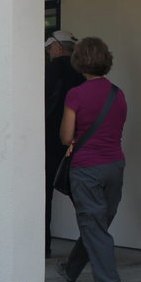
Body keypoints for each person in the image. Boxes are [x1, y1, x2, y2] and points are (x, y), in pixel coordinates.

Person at [54, 37, 128, 282]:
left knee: (94, 226)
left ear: (79, 62)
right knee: (98, 223)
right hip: (114, 165)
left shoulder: (76, 94)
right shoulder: (117, 93)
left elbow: (65, 136)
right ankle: (72, 269)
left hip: (87, 167)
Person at [45, 30, 84, 258]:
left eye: (49, 49)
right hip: (76, 142)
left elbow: (44, 102)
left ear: (58, 47)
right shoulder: (81, 74)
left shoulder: (53, 69)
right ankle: (89, 243)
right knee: (79, 195)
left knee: (44, 195)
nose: (49, 53)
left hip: (51, 139)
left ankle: (43, 245)